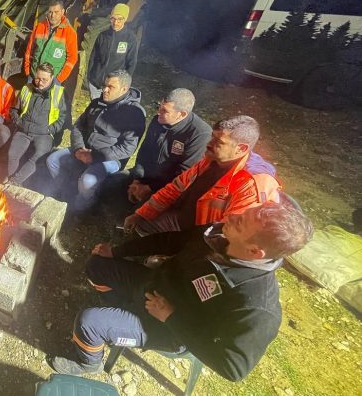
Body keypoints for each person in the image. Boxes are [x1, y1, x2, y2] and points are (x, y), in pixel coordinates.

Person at [48, 201, 314, 382]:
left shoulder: (256, 305)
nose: (231, 217)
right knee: (97, 265)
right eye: (242, 214)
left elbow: (234, 368)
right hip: (154, 286)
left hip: (169, 328)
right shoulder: (217, 234)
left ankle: (88, 364)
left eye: (240, 222)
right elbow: (170, 240)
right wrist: (117, 251)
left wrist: (171, 317)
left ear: (256, 252)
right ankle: (118, 315)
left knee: (89, 322)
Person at [124, 115, 281, 236]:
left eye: (218, 141)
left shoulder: (251, 184)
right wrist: (141, 214)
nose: (209, 143)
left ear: (241, 148)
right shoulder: (211, 160)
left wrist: (191, 249)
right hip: (184, 221)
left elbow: (229, 235)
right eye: (212, 136)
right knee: (142, 221)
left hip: (205, 236)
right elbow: (174, 189)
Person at [103, 88, 211, 220]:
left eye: (164, 111)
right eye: (159, 106)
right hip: (148, 176)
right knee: (108, 183)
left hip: (170, 187)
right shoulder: (158, 121)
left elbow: (183, 175)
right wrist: (137, 179)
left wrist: (149, 188)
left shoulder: (200, 134)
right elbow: (144, 152)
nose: (158, 112)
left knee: (139, 212)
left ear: (182, 114)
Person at [46, 70, 146, 213]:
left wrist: (95, 156)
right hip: (85, 149)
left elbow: (127, 148)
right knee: (53, 160)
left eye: (110, 87)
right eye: (104, 85)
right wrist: (79, 148)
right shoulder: (97, 103)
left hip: (110, 158)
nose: (104, 90)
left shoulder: (135, 113)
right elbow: (79, 126)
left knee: (87, 181)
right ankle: (66, 193)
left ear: (124, 89)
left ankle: (83, 207)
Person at [6, 62, 68, 185]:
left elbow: (63, 117)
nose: (40, 82)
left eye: (44, 80)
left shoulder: (59, 93)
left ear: (52, 78)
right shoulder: (26, 88)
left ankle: (14, 182)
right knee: (12, 154)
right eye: (38, 78)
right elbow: (14, 109)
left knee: (38, 155)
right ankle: (13, 181)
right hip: (23, 130)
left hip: (44, 134)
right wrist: (18, 122)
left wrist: (51, 129)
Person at [87, 3, 140, 99]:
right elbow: (93, 58)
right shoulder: (102, 35)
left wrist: (123, 83)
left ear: (125, 19)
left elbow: (131, 63)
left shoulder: (130, 39)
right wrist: (90, 77)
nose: (115, 22)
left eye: (119, 19)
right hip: (96, 84)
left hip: (113, 87)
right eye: (113, 18)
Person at [24, 0, 79, 84]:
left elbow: (72, 58)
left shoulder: (70, 33)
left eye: (56, 12)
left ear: (62, 12)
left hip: (53, 80)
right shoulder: (39, 27)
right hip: (34, 77)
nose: (52, 15)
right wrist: (28, 72)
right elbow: (29, 50)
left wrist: (59, 79)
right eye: (50, 12)